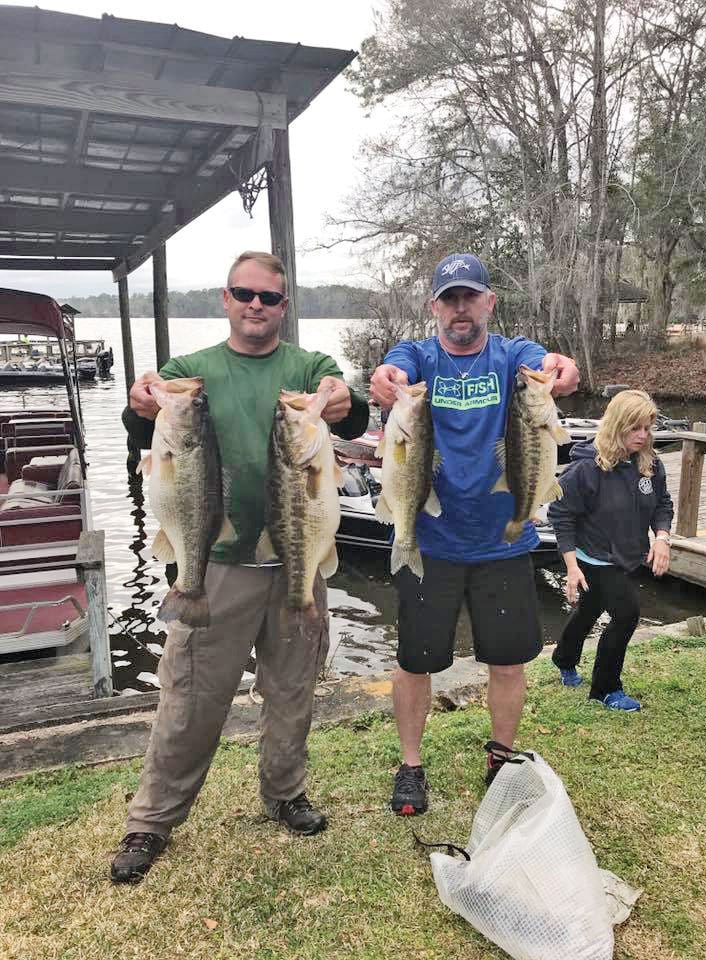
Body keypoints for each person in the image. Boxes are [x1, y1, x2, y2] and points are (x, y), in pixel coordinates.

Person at [111, 251, 369, 883]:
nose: (256, 305)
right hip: (217, 563)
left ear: (285, 306)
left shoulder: (307, 367)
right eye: (243, 293)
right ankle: (151, 821)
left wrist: (341, 402)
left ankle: (284, 792)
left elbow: (351, 408)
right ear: (225, 299)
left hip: (297, 561)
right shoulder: (189, 373)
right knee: (191, 700)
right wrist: (142, 405)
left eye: (270, 298)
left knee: (292, 691)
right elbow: (142, 432)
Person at [369, 252, 579, 815]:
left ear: (489, 301)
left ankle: (502, 757)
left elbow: (554, 364)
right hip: (431, 540)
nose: (460, 309)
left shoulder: (514, 358)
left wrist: (561, 368)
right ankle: (411, 764)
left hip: (504, 543)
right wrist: (386, 379)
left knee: (507, 661)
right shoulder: (420, 356)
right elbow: (393, 368)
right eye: (449, 298)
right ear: (434, 306)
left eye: (470, 297)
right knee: (415, 662)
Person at [548, 389, 673, 710]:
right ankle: (606, 688)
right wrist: (572, 567)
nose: (643, 436)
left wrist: (661, 537)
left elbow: (662, 503)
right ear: (617, 425)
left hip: (628, 555)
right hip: (594, 557)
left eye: (647, 428)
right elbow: (560, 514)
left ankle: (563, 658)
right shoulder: (587, 470)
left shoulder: (650, 464)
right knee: (627, 614)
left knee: (589, 609)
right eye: (635, 428)